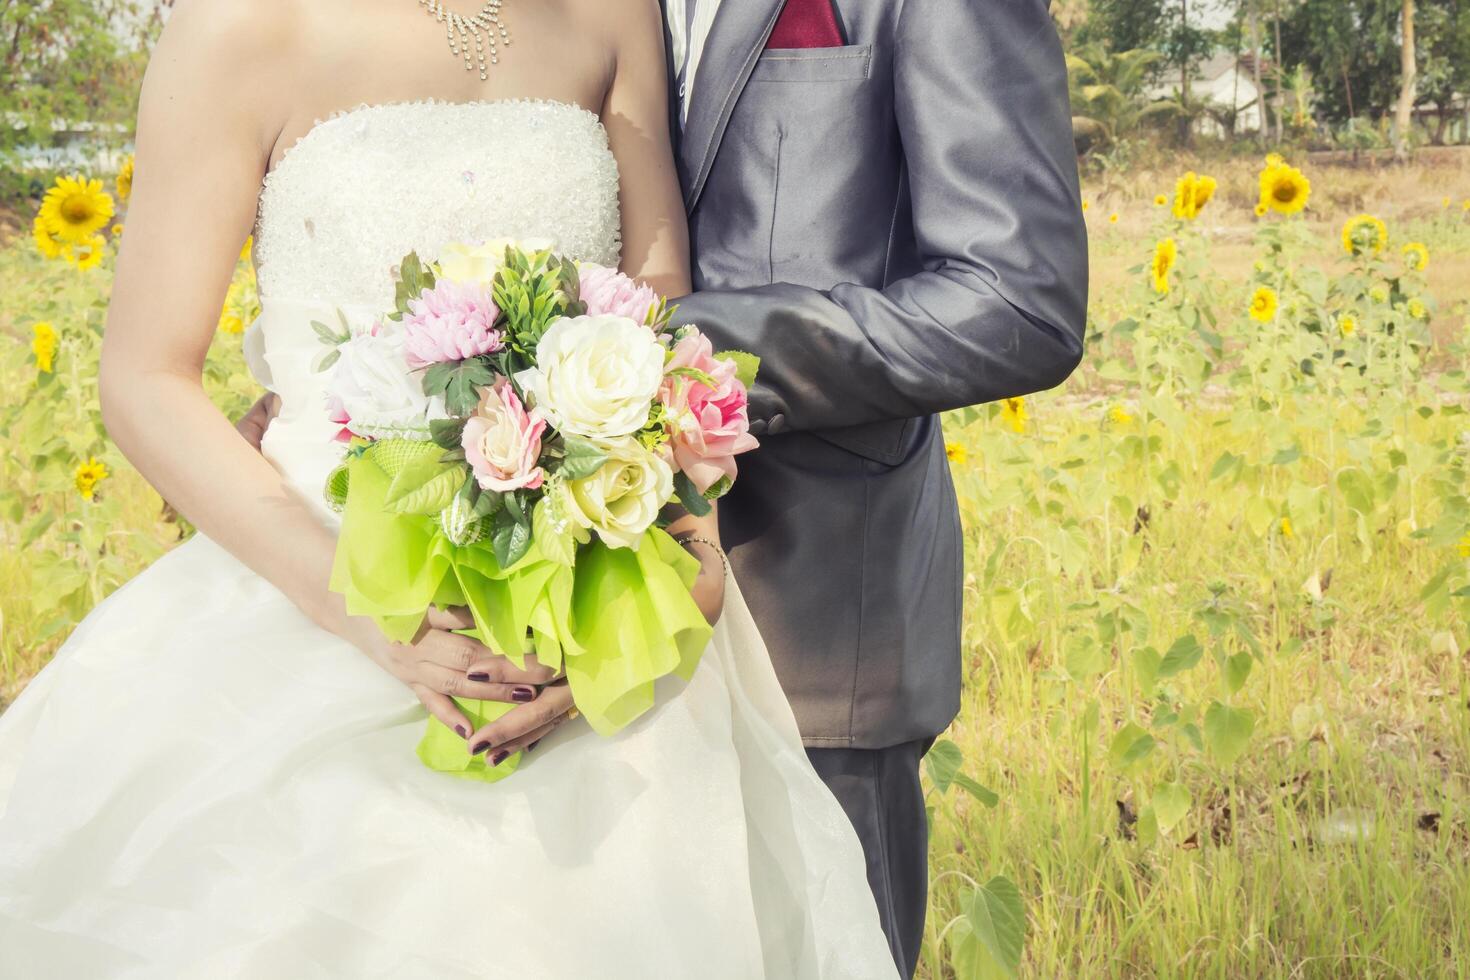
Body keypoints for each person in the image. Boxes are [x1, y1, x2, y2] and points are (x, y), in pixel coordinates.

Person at [0, 1, 901, 976]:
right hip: (317, 575)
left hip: (596, 586)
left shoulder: (612, 11)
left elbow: (655, 312)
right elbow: (144, 377)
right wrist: (371, 615)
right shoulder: (236, 25)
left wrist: (692, 555)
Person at [247, 1, 1089, 975]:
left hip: (804, 621)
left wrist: (647, 355)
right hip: (490, 590)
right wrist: (341, 393)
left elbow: (1019, 301)